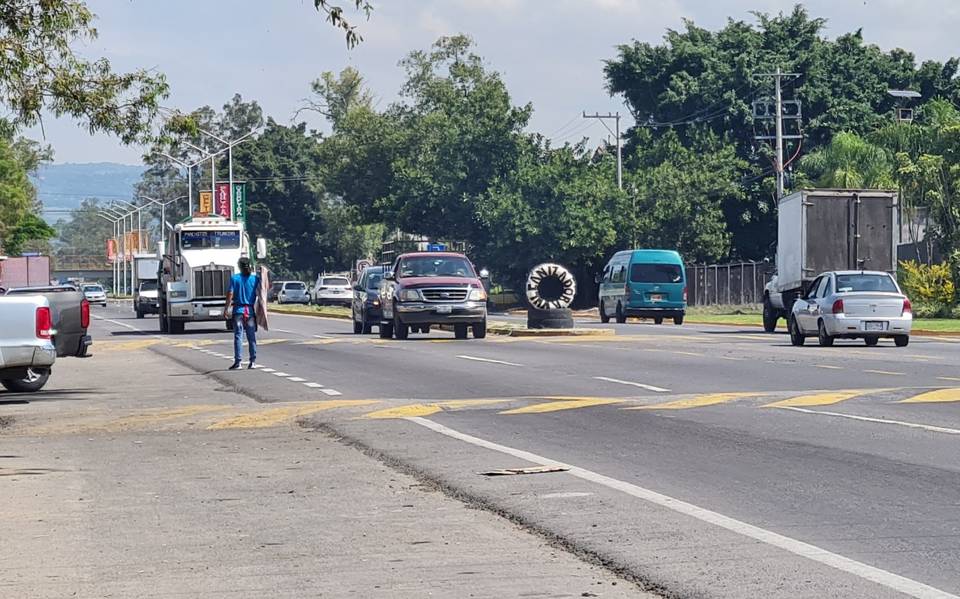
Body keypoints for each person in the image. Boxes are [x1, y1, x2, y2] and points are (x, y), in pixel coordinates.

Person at [225, 257, 259, 369]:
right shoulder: (255, 279)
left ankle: (238, 362)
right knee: (251, 336)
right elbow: (265, 289)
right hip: (249, 312)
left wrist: (226, 308)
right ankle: (253, 361)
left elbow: (230, 294)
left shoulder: (235, 279)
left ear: (239, 266)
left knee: (238, 336)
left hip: (238, 311)